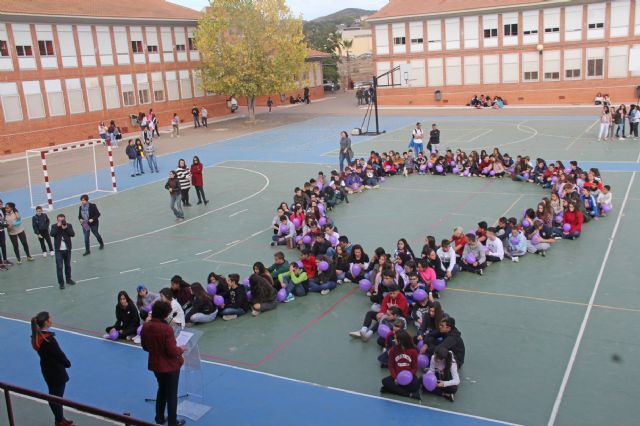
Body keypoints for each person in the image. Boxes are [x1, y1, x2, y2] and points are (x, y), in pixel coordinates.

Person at [140, 301, 187, 426]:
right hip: (170, 367)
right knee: (172, 395)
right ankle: (172, 422)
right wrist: (181, 349)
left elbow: (145, 347)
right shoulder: (166, 329)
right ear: (164, 314)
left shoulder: (146, 326)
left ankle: (159, 418)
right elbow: (172, 351)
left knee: (161, 390)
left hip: (156, 365)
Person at [31, 311, 73, 426]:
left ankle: (60, 418)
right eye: (50, 318)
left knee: (54, 395)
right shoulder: (49, 340)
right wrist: (67, 363)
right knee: (57, 397)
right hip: (56, 372)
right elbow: (59, 354)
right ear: (46, 322)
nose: (51, 319)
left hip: (47, 370)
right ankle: (59, 421)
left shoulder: (37, 337)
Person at [380, 329, 421, 400]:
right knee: (385, 381)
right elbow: (391, 365)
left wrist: (408, 377)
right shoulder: (393, 350)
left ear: (401, 341)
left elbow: (414, 368)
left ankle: (393, 390)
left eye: (395, 339)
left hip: (409, 377)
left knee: (416, 385)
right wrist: (396, 377)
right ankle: (409, 394)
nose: (393, 340)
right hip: (397, 376)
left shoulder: (413, 351)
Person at [50, 214, 75, 289]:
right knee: (59, 266)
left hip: (67, 249)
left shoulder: (68, 225)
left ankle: (68, 279)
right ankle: (61, 283)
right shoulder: (54, 226)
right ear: (57, 220)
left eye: (62, 220)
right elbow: (52, 234)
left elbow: (72, 234)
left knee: (67, 265)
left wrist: (66, 228)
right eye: (59, 220)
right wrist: (58, 226)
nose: (61, 221)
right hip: (58, 250)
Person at [0, 199, 10, 270]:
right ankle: (0, 264)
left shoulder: (2, 210)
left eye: (1, 204)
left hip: (2, 231)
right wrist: (6, 225)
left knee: (3, 245)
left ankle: (5, 260)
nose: (1, 205)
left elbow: (13, 208)